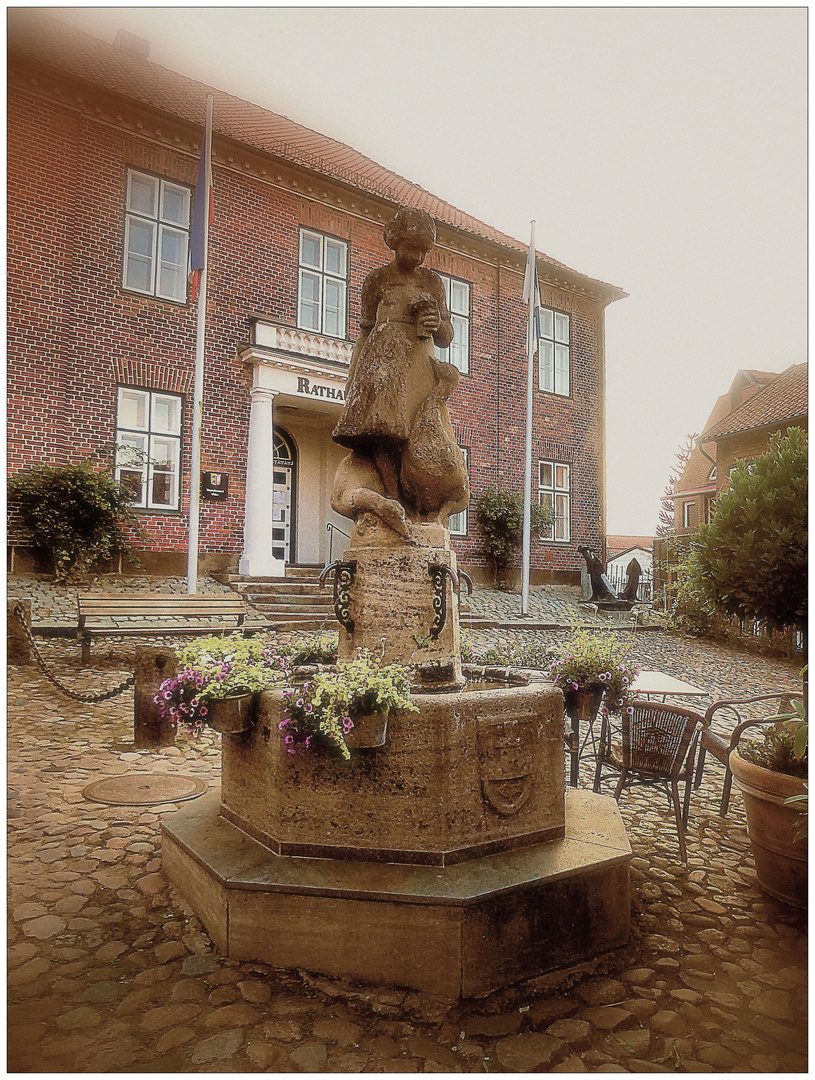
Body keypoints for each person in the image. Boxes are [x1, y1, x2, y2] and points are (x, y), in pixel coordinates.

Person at [332, 207, 468, 538]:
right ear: (395, 243)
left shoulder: (432, 282)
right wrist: (354, 377)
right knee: (381, 432)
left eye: (423, 250)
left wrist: (437, 324)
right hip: (381, 363)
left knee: (418, 432)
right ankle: (393, 498)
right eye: (411, 247)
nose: (417, 256)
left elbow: (447, 336)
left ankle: (421, 502)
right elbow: (365, 331)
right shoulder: (376, 281)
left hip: (418, 362)